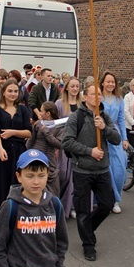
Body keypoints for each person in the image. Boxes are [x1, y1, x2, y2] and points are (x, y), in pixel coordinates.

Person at [0, 149, 68, 267]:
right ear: (19, 176)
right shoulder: (11, 206)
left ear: (48, 175)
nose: (36, 181)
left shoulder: (54, 204)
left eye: (41, 175)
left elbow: (61, 241)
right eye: (30, 175)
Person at [61, 84, 120, 261]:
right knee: (83, 210)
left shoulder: (105, 117)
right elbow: (67, 142)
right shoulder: (76, 117)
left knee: (106, 205)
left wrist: (104, 128)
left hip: (102, 170)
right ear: (85, 97)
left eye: (99, 94)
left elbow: (116, 139)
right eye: (93, 94)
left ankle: (87, 229)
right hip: (82, 170)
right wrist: (89, 151)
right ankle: (88, 244)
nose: (97, 97)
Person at [0, 79, 32, 226]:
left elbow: (28, 133)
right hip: (2, 149)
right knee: (0, 184)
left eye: (15, 91)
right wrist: (0, 149)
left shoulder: (23, 109)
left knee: (17, 183)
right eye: (10, 91)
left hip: (18, 150)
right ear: (3, 92)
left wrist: (13, 132)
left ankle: (18, 217)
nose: (12, 94)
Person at [99, 71, 128, 214]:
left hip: (115, 134)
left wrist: (125, 138)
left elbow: (122, 120)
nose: (110, 84)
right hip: (100, 133)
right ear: (103, 83)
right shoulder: (98, 98)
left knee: (119, 168)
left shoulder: (119, 100)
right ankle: (104, 198)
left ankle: (116, 199)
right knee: (104, 168)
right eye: (108, 81)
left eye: (113, 82)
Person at [55, 77, 81, 219]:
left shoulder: (81, 104)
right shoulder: (59, 104)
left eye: (77, 86)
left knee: (75, 177)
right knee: (63, 175)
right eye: (72, 86)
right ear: (67, 88)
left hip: (78, 144)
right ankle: (59, 204)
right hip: (64, 143)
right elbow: (54, 124)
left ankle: (72, 206)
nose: (75, 89)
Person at [26, 102, 64, 196]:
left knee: (51, 186)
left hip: (49, 160)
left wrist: (47, 132)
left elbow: (59, 144)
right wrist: (27, 153)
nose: (39, 113)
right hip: (35, 156)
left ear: (48, 113)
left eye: (41, 111)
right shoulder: (38, 124)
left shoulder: (59, 126)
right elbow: (31, 140)